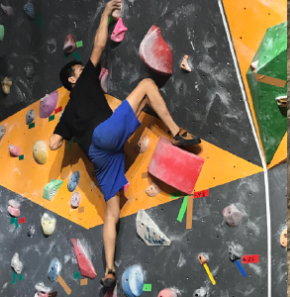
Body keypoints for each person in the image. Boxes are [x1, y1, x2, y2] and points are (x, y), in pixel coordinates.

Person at [49, 0, 200, 291]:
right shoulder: (83, 82)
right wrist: (106, 13)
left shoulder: (67, 115)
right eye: (80, 69)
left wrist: (67, 129)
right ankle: (176, 132)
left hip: (99, 157)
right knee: (145, 86)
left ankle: (108, 270)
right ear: (72, 79)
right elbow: (98, 46)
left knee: (111, 212)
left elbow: (55, 144)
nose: (85, 69)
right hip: (104, 135)